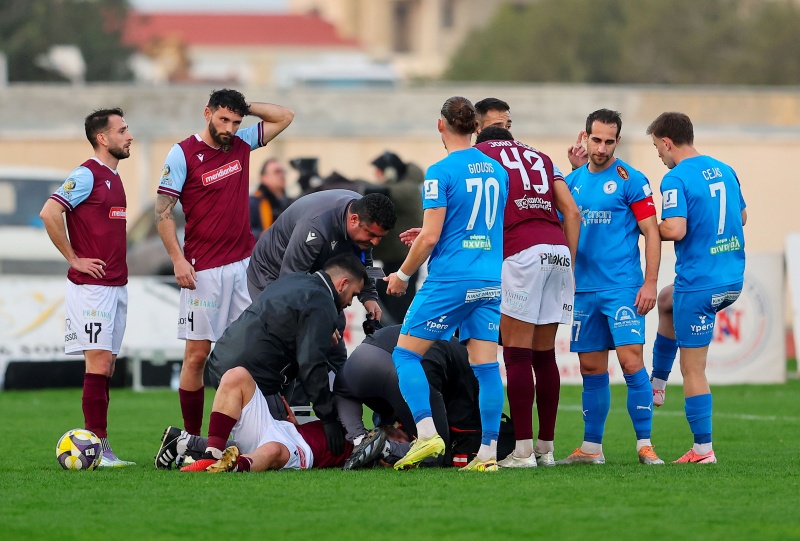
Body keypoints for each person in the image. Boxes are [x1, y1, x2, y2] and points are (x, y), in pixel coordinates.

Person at [155, 89, 294, 437]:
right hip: (203, 271)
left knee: (249, 350)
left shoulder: (242, 143)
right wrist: (178, 259)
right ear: (207, 113)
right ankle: (191, 436)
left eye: (236, 121)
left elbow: (284, 116)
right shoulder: (182, 153)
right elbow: (163, 213)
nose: (230, 127)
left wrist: (247, 107)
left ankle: (246, 431)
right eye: (223, 119)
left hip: (243, 267)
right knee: (197, 355)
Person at [384, 96, 509, 472]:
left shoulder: (439, 172)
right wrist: (434, 231)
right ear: (475, 127)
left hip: (452, 279)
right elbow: (479, 223)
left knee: (405, 354)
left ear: (441, 126)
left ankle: (426, 433)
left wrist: (402, 275)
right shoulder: (497, 170)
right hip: (488, 278)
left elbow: (430, 238)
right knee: (486, 367)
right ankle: (487, 454)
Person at [558, 109, 664, 466]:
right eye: (596, 139)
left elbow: (652, 232)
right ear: (584, 137)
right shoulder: (571, 182)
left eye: (609, 141)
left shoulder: (632, 180)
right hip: (583, 289)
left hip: (622, 287)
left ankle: (645, 444)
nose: (601, 148)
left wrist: (650, 282)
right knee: (590, 368)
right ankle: (592, 449)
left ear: (618, 141)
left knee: (631, 362)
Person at [474, 125, 581, 468]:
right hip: (558, 252)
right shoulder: (542, 156)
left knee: (517, 356)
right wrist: (570, 262)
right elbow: (573, 212)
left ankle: (522, 452)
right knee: (544, 355)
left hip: (521, 253)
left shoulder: (481, 155)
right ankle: (545, 450)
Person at [646, 112, 746, 464]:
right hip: (732, 278)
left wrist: (644, 225)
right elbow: (743, 217)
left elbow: (675, 229)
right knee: (665, 300)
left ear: (668, 142)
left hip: (700, 283)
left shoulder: (675, 178)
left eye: (657, 146)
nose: (658, 153)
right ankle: (657, 382)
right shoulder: (724, 168)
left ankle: (703, 450)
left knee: (693, 370)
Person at [39, 108, 135, 467]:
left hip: (115, 285)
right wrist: (73, 258)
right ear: (103, 138)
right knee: (98, 364)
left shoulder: (114, 177)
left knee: (106, 365)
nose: (129, 136)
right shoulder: (86, 174)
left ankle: (101, 445)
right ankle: (96, 446)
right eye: (122, 130)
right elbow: (50, 213)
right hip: (91, 288)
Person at [335, 325, 498, 469]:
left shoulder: (461, 362)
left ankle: (359, 438)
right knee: (436, 452)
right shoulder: (469, 371)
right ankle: (384, 448)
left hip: (358, 360)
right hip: (403, 368)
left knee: (344, 392)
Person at [370, 151, 424, 325]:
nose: (378, 177)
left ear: (390, 172)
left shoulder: (406, 189)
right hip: (396, 260)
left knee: (400, 308)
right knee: (384, 298)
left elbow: (385, 192)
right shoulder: (407, 185)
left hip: (403, 260)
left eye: (379, 172)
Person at [249, 157, 292, 239]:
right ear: (264, 178)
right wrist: (264, 235)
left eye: (283, 172)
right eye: (277, 172)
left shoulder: (288, 202)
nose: (282, 175)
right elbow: (244, 231)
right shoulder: (253, 202)